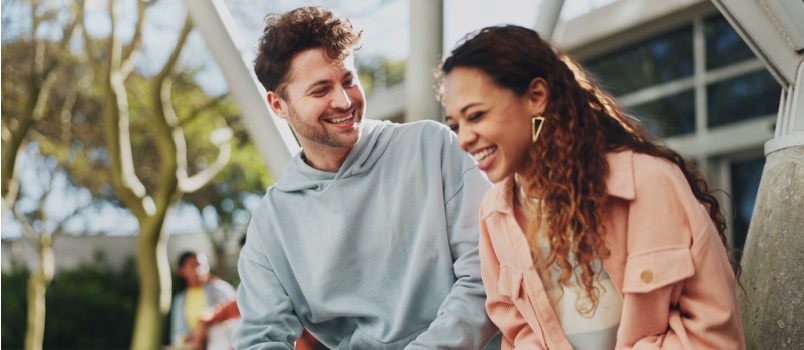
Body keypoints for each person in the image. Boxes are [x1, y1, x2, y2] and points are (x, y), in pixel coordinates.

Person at [438, 25, 745, 349]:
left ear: (536, 98)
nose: (464, 139)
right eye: (456, 126)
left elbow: (712, 337)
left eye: (476, 115)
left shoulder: (650, 182)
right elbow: (518, 336)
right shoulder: (494, 216)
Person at [233, 6, 500, 350]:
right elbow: (260, 339)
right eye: (320, 90)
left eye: (348, 80)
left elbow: (486, 272)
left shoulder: (432, 147)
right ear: (278, 105)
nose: (343, 101)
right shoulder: (271, 224)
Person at [190, 236, 324, 350]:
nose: (251, 266)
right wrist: (203, 322)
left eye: (253, 259)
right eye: (245, 261)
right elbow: (224, 309)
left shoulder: (300, 281)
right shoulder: (254, 289)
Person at [172, 251, 237, 350]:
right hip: (196, 346)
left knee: (216, 330)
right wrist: (189, 339)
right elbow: (177, 333)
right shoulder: (180, 300)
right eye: (192, 266)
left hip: (223, 344)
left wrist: (204, 323)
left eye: (202, 265)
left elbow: (237, 320)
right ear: (181, 271)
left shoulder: (220, 289)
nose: (199, 270)